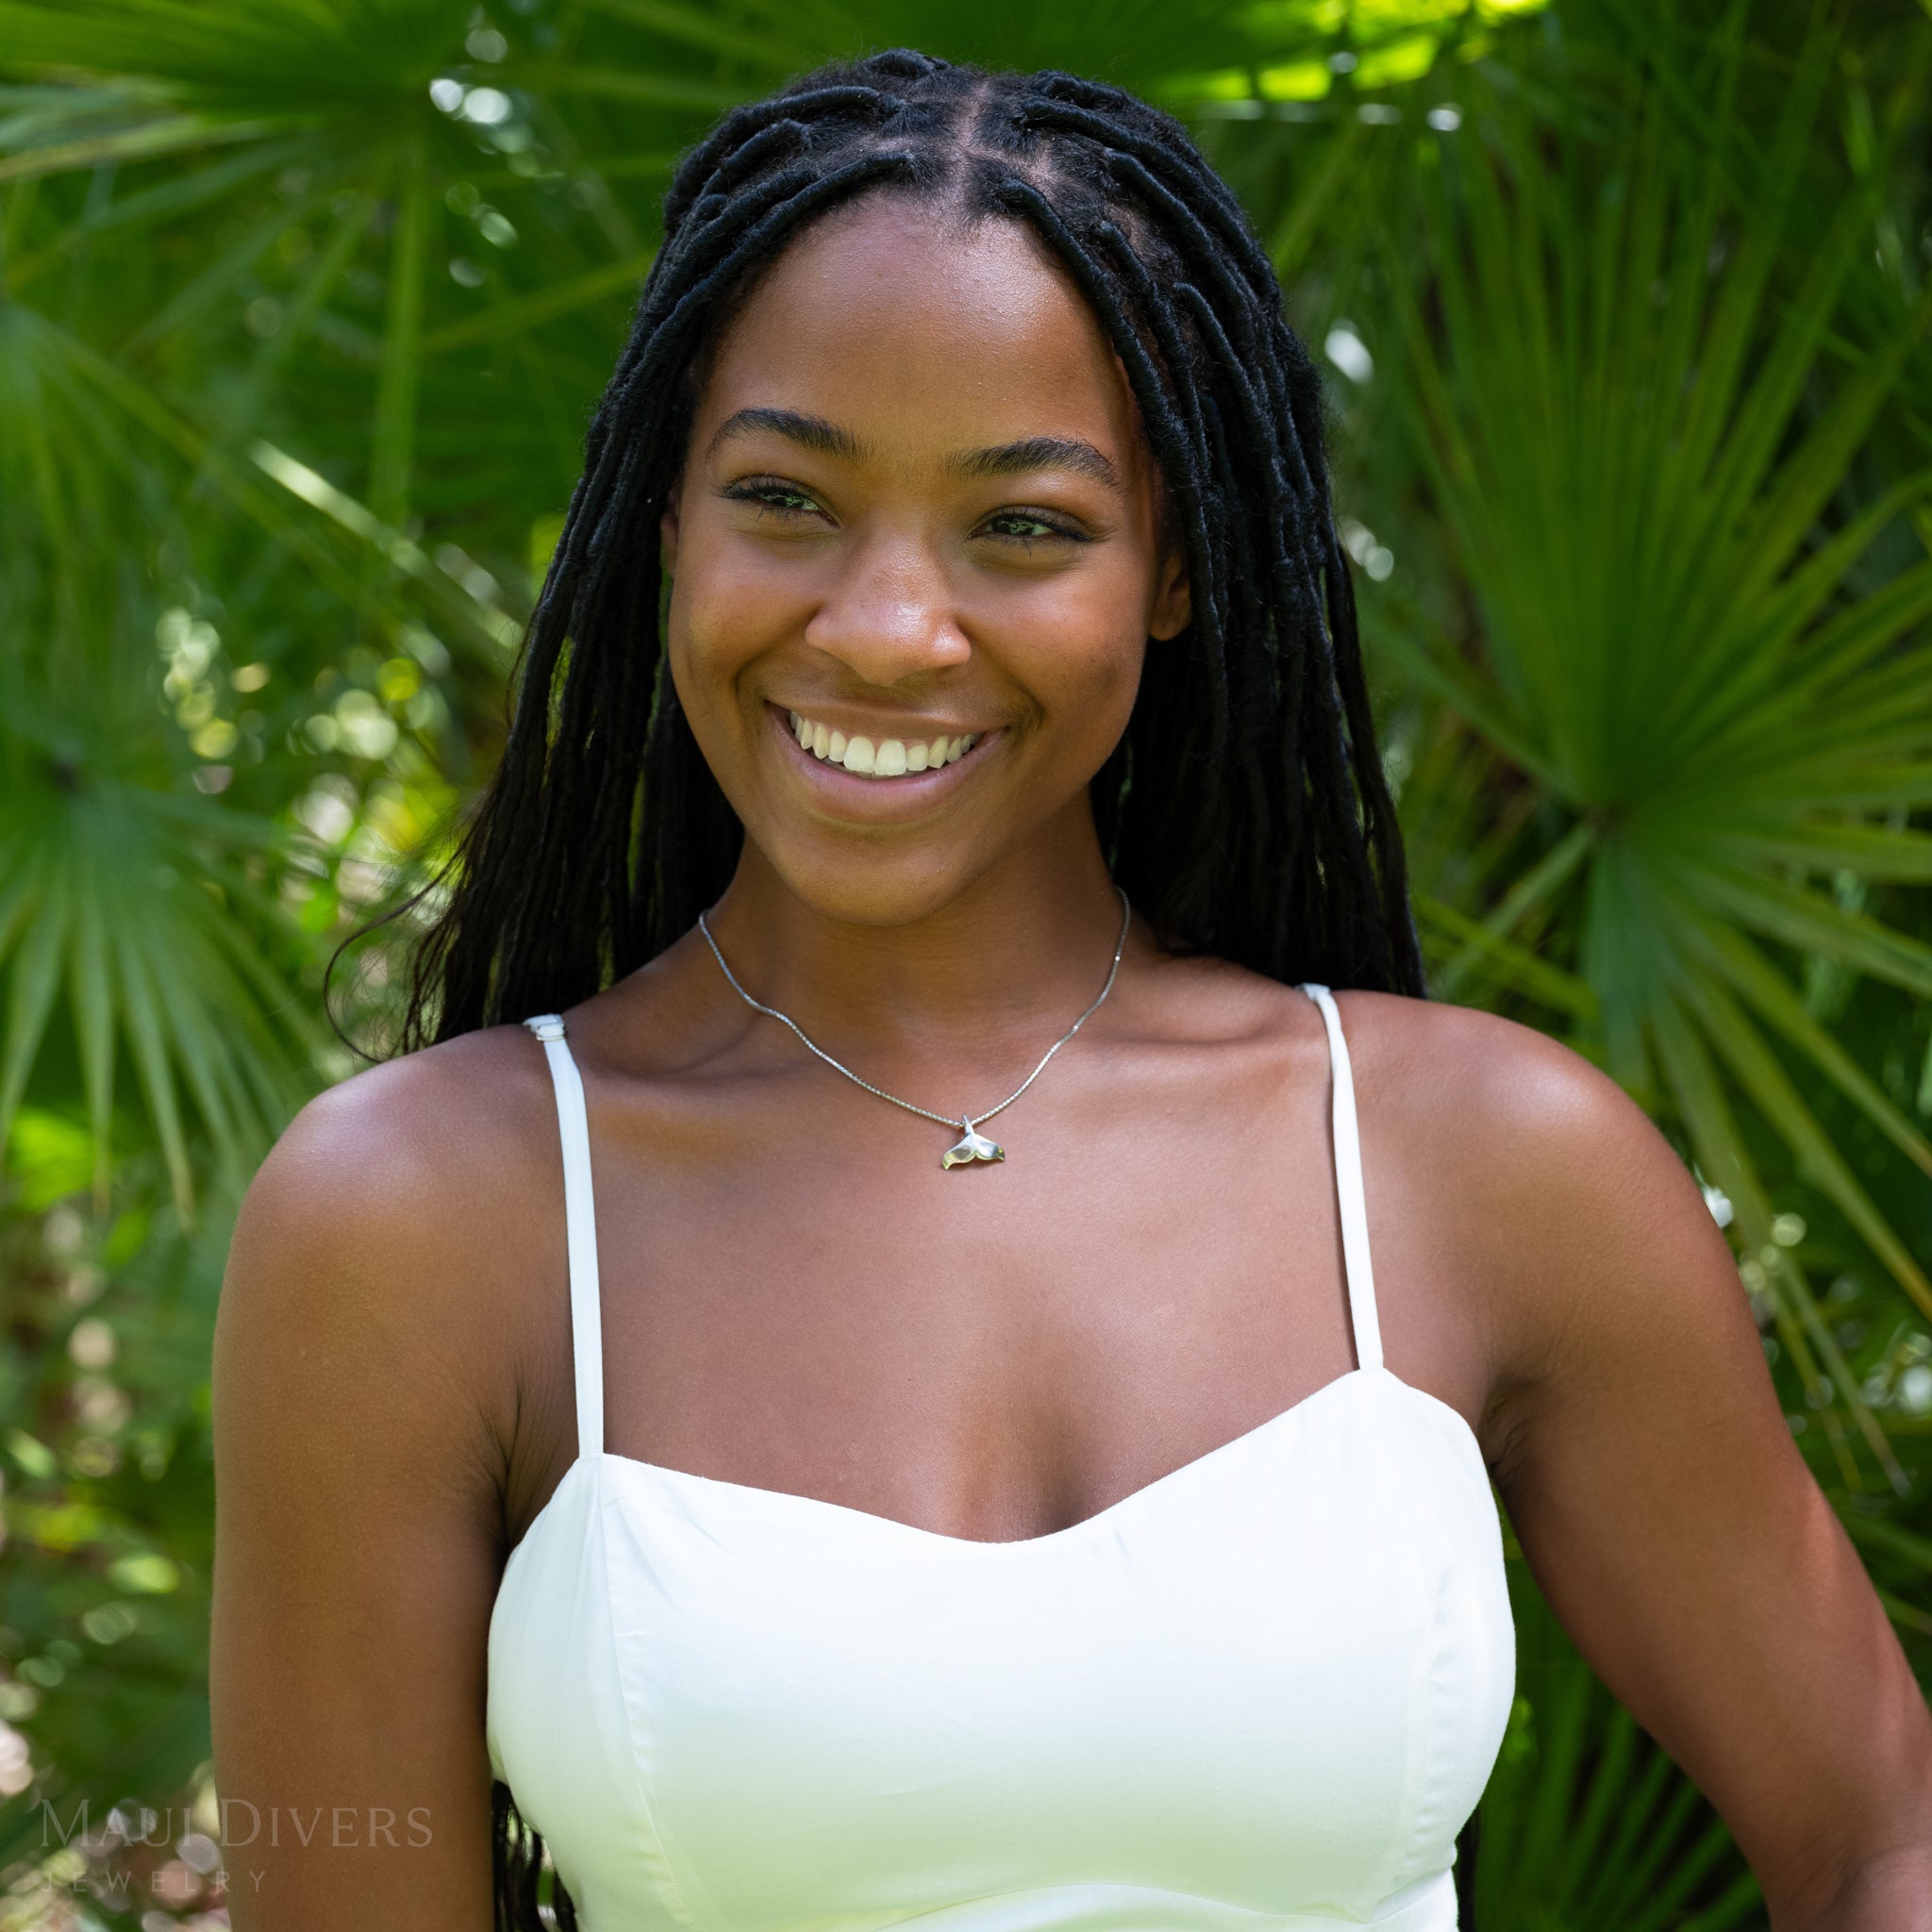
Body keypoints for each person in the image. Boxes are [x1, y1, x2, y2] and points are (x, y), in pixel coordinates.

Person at [208, 49, 1932, 1932]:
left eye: (1021, 525)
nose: (880, 628)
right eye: (784, 498)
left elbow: (1880, 1841)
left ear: (1177, 564)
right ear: (664, 524)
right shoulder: (422, 1217)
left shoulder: (1473, 1162)